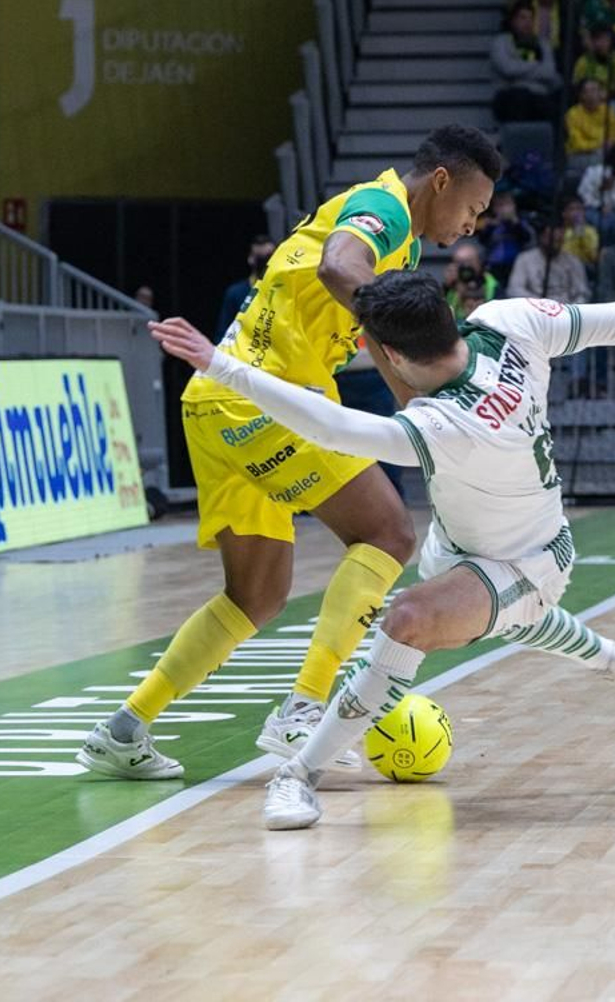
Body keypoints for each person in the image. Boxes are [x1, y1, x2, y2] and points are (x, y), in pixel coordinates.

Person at [138, 273, 615, 829]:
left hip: (526, 562)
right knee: (501, 617)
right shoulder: (508, 320)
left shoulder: (438, 425)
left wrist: (219, 365)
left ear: (397, 359)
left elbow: (330, 422)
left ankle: (297, 775)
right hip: (471, 543)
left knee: (408, 619)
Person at [77, 126, 502, 781]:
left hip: (217, 400)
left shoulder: (401, 245)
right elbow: (339, 266)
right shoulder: (384, 209)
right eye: (472, 206)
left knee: (256, 595)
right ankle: (303, 709)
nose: (470, 223)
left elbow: (370, 327)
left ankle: (123, 728)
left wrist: (416, 409)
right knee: (387, 532)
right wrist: (404, 337)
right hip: (263, 395)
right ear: (441, 180)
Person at [491, 4, 561, 122]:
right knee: (520, 97)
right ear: (513, 21)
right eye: (522, 17)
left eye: (530, 18)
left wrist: (519, 67)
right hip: (509, 96)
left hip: (539, 97)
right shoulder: (501, 42)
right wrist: (536, 64)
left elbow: (549, 72)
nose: (527, 22)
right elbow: (507, 68)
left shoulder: (543, 44)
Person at [507, 218, 590, 303]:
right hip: (536, 309)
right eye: (552, 239)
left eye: (559, 240)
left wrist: (571, 310)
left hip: (565, 309)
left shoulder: (573, 261)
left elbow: (582, 293)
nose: (556, 243)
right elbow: (514, 290)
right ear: (541, 237)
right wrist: (541, 304)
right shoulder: (524, 259)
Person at [215, 234, 276, 340]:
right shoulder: (235, 293)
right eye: (260, 258)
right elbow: (222, 334)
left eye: (268, 258)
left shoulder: (281, 293)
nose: (265, 264)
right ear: (251, 259)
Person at [565, 78, 615, 170]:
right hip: (580, 155)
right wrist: (601, 144)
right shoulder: (572, 114)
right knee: (602, 161)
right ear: (581, 95)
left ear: (601, 94)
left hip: (605, 152)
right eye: (587, 91)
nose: (591, 95)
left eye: (595, 90)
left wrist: (609, 145)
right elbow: (578, 144)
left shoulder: (608, 111)